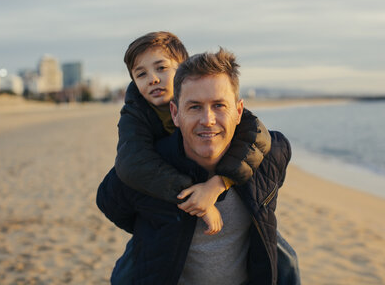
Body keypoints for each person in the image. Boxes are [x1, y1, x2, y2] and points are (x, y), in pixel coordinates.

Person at [97, 48, 299, 284]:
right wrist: (155, 228)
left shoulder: (267, 157)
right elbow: (111, 204)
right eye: (194, 107)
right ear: (175, 113)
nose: (208, 120)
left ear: (239, 111)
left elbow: (277, 150)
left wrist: (219, 182)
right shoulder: (146, 170)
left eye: (219, 106)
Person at [111, 31, 271, 234]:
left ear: (182, 70)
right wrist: (193, 196)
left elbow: (258, 137)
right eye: (141, 74)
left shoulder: (206, 94)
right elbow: (132, 163)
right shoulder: (135, 113)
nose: (152, 79)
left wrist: (218, 184)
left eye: (161, 68)